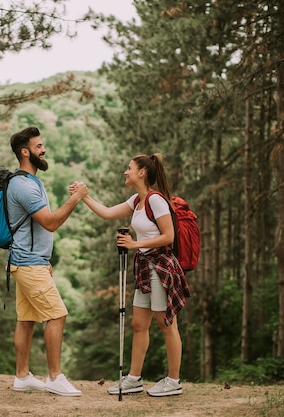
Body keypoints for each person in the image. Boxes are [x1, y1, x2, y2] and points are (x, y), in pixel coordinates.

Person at [71, 153, 190, 397]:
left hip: (161, 267)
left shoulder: (155, 200)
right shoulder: (137, 200)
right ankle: (134, 379)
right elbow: (106, 213)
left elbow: (169, 237)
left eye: (129, 168)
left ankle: (174, 380)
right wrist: (84, 197)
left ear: (142, 172)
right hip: (145, 267)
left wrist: (134, 245)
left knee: (166, 323)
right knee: (139, 324)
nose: (126, 172)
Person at [7, 126, 88, 397]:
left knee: (27, 318)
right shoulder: (22, 185)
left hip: (30, 261)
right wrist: (77, 197)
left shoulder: (33, 182)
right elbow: (50, 223)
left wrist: (45, 259)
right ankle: (54, 377)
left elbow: (37, 228)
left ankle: (22, 376)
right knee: (57, 314)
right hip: (28, 263)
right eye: (39, 146)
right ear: (25, 151)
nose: (44, 150)